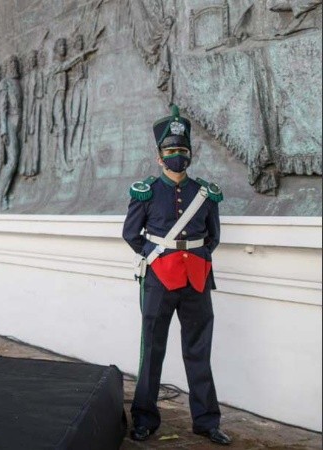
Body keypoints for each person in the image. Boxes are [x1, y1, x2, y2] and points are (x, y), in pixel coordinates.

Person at [122, 104, 232, 445]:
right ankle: (144, 419)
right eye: (171, 152)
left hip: (196, 280)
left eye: (182, 151)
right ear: (159, 157)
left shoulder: (205, 195)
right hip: (158, 280)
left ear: (190, 155)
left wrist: (194, 259)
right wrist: (156, 259)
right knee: (152, 351)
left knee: (199, 351)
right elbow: (131, 234)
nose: (177, 157)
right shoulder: (147, 191)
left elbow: (213, 237)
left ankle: (206, 421)